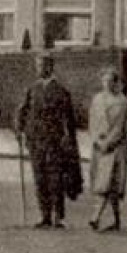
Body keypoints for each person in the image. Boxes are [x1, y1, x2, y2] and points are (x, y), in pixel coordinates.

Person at [14, 55, 80, 229]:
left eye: (42, 65)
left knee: (55, 178)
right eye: (37, 65)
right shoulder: (32, 89)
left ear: (50, 67)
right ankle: (45, 215)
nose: (39, 68)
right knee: (39, 178)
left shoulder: (61, 91)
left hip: (54, 141)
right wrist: (18, 129)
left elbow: (68, 118)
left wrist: (67, 138)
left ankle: (58, 215)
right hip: (35, 141)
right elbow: (22, 109)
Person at [87, 69, 127, 233]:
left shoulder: (122, 102)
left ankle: (95, 217)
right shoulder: (97, 99)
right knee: (106, 184)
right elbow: (92, 121)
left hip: (115, 148)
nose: (106, 84)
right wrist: (96, 140)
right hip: (100, 147)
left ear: (115, 82)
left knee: (108, 183)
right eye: (104, 81)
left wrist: (108, 142)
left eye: (109, 81)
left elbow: (121, 127)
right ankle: (116, 220)